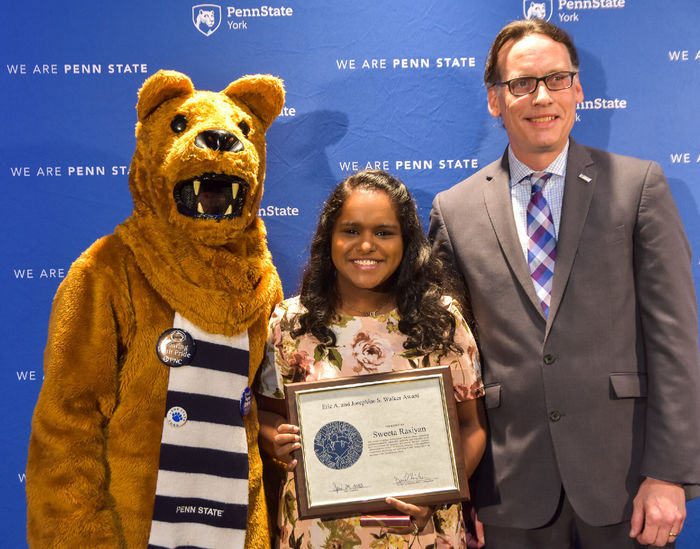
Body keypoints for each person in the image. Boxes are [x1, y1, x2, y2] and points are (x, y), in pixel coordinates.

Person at [429, 18, 700, 549]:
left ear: (577, 90)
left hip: (626, 486)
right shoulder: (453, 210)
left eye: (556, 79)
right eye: (522, 84)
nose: (541, 97)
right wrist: (460, 490)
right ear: (495, 100)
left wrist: (669, 473)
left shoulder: (637, 187)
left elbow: (675, 342)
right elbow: (448, 361)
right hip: (506, 491)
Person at [256, 169, 487, 548]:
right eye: (350, 230)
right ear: (328, 238)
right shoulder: (291, 322)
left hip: (421, 532)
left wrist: (437, 492)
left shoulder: (442, 319)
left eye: (383, 232)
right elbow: (266, 413)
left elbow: (472, 428)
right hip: (318, 533)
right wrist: (274, 440)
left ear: (407, 240)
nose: (366, 245)